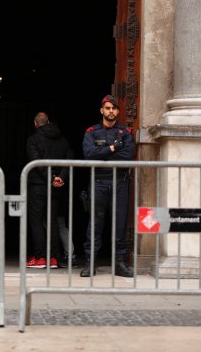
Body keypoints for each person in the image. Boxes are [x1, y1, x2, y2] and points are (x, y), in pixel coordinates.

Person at [81, 95, 135, 277]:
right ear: (101, 110)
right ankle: (90, 263)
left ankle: (120, 263)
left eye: (114, 108)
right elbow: (89, 154)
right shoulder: (91, 132)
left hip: (120, 181)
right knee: (95, 224)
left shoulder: (125, 133)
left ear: (118, 111)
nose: (111, 111)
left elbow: (127, 156)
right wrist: (112, 149)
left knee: (119, 223)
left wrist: (102, 154)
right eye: (107, 108)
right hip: (99, 182)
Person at [25, 112, 73, 269]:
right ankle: (53, 258)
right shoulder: (63, 140)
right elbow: (68, 161)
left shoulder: (33, 139)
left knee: (36, 221)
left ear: (35, 123)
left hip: (38, 186)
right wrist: (60, 178)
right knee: (52, 221)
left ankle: (40, 258)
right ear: (49, 122)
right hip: (56, 187)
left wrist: (51, 177)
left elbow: (36, 162)